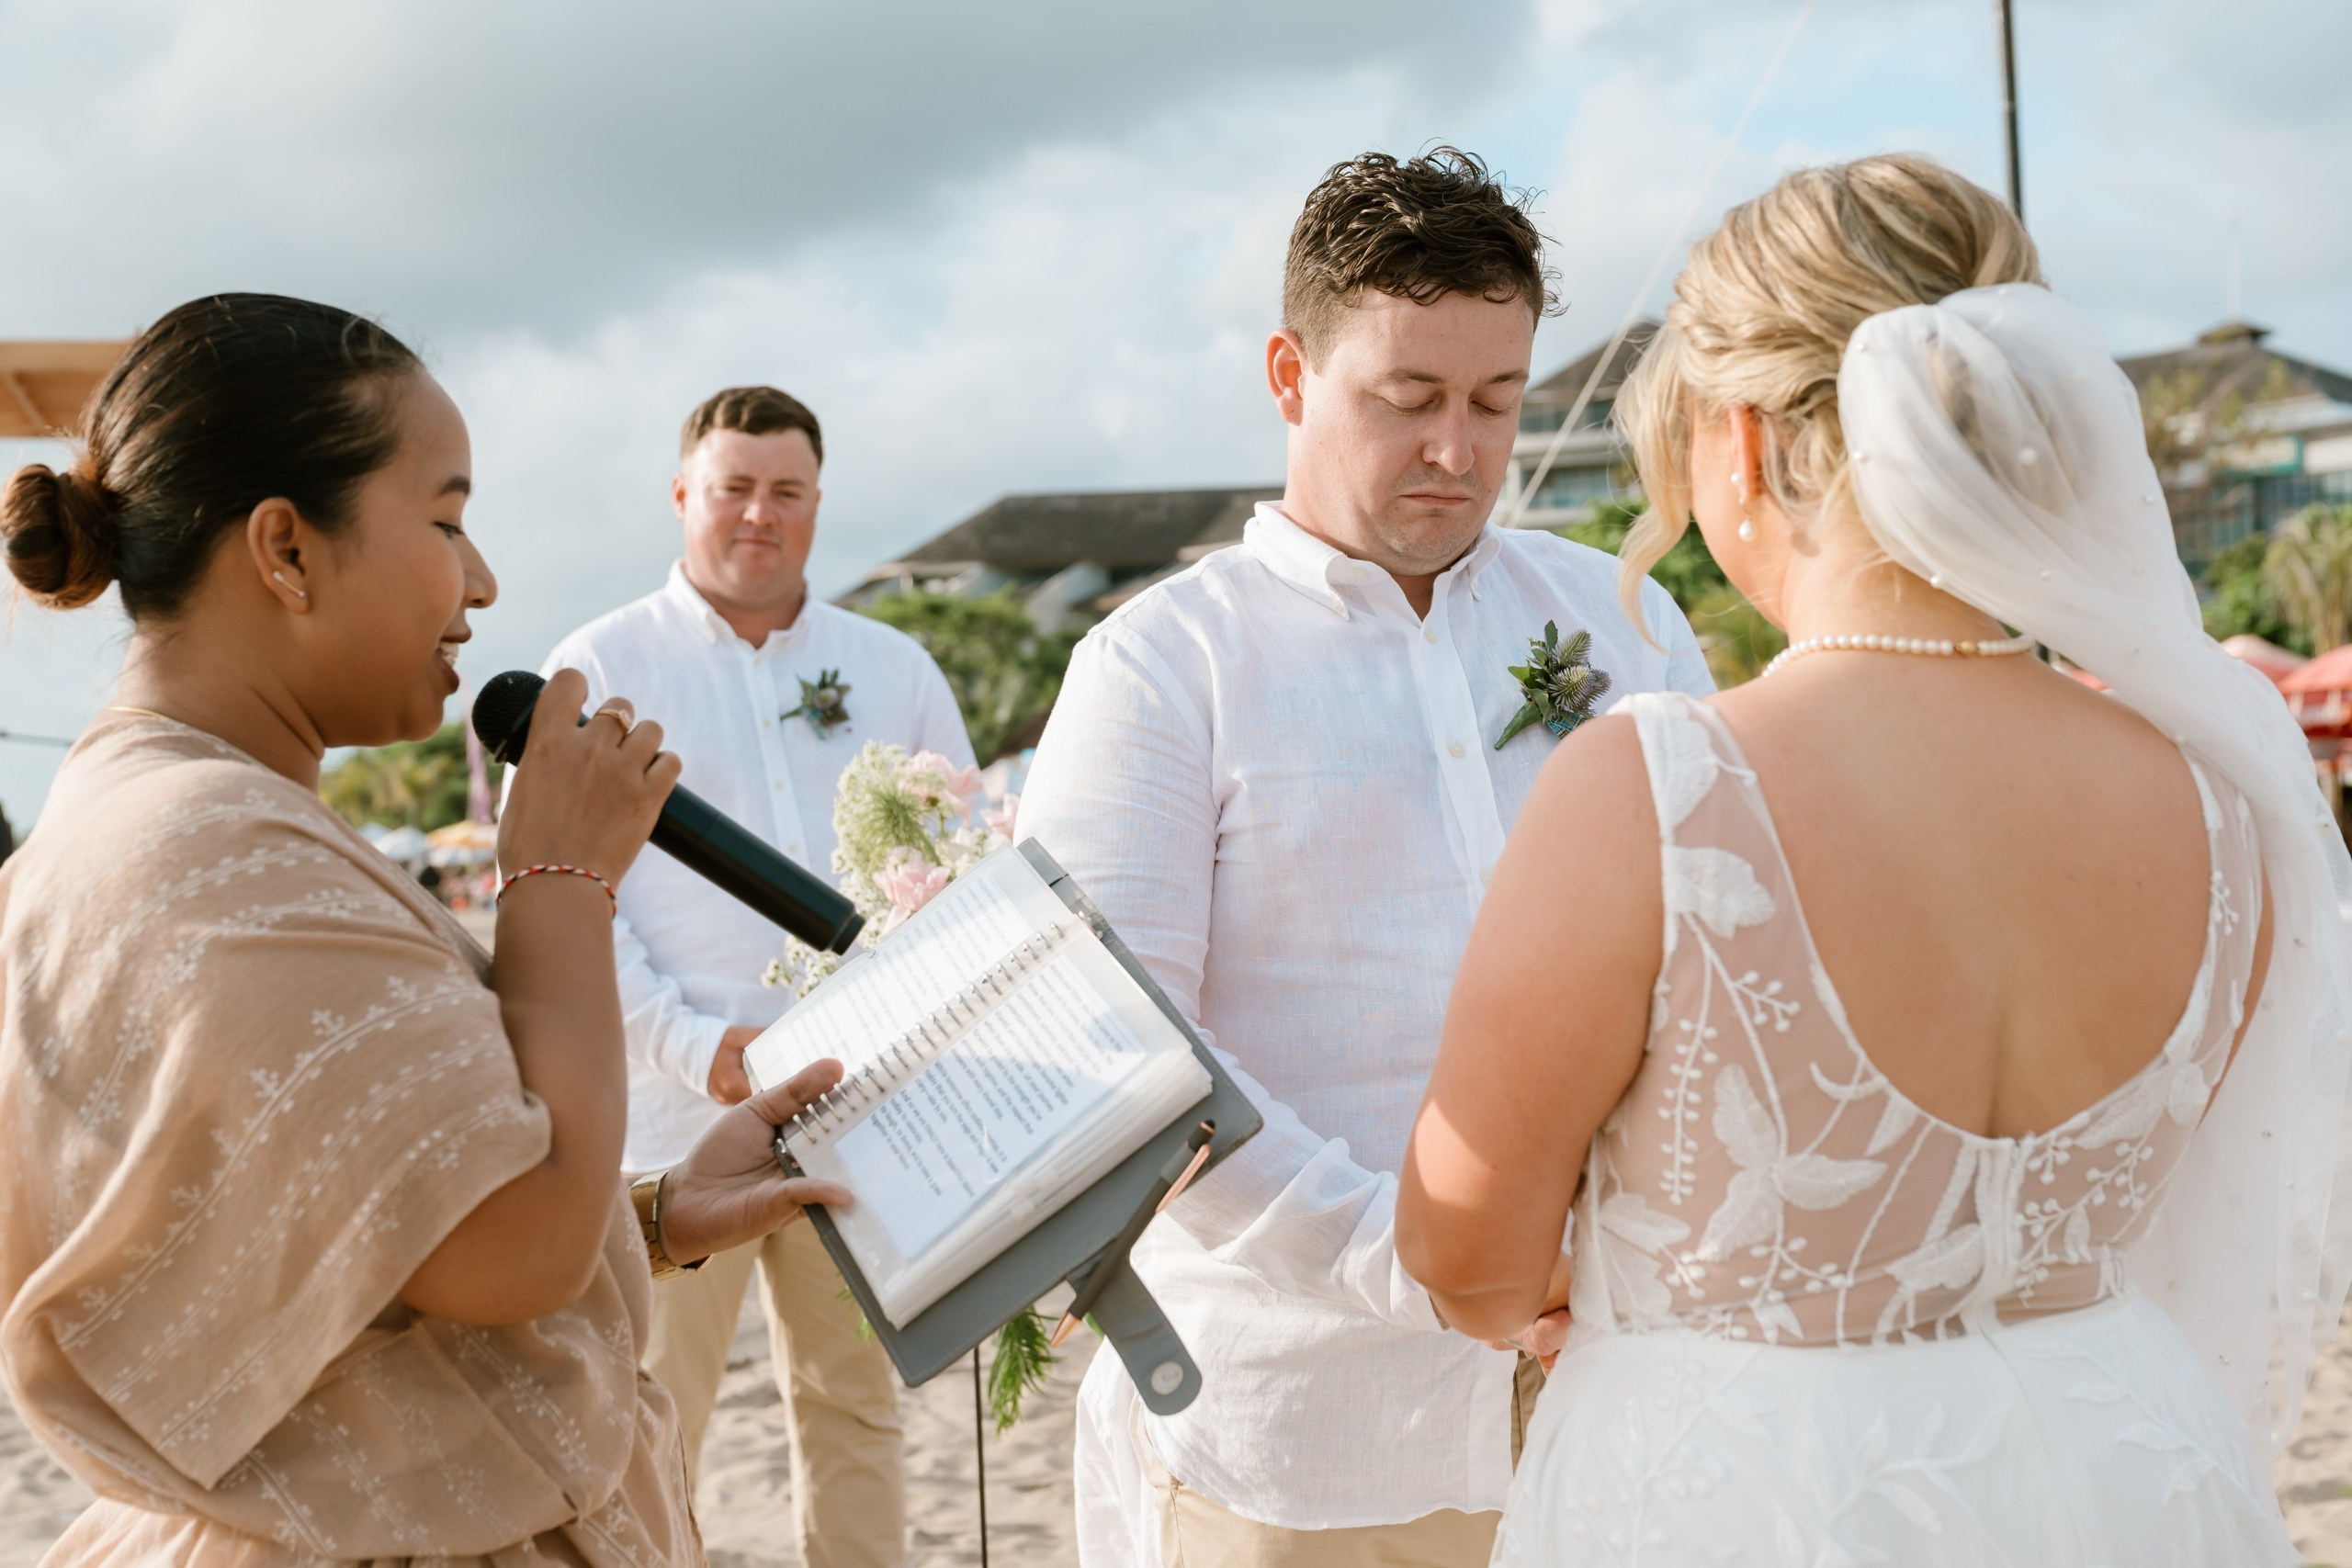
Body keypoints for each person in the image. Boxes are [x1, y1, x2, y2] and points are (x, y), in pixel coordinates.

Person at [1396, 154, 2352, 1564]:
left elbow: (1467, 1262)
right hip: (2125, 1470)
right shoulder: (2218, 795)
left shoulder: (1659, 789)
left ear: (1738, 441)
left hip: (1759, 1497)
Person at [0, 293, 857, 1565]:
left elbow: (353, 1249)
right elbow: (515, 1247)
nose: (484, 580)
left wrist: (656, 1214)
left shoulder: (188, 818)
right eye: (447, 520)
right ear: (285, 550)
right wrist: (560, 875)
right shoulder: (211, 852)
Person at [1016, 148, 1712, 1567]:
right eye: (1408, 399)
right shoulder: (1159, 666)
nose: (1458, 448)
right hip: (1300, 1435)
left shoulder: (1623, 622)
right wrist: (1430, 1269)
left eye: (1497, 401)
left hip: (1618, 1395)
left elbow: (1719, 947)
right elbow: (1129, 1061)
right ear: (1290, 372)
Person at [532, 385, 971, 1568]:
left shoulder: (894, 666)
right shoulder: (600, 664)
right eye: (734, 488)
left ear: (818, 504)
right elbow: (576, 895)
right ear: (684, 497)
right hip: (673, 1123)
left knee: (855, 1408)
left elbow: (955, 871)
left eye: (787, 492)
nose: (759, 515)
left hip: (861, 1108)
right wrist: (693, 1045)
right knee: (649, 1420)